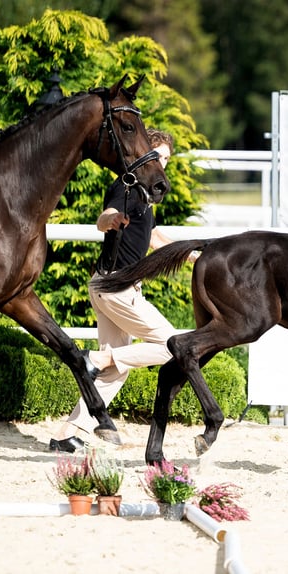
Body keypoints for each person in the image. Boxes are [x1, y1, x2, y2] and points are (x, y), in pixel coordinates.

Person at [50, 128, 195, 452]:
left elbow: (154, 239)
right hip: (117, 287)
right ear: (144, 154)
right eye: (158, 156)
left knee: (116, 369)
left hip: (109, 286)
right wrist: (112, 219)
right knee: (173, 345)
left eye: (167, 160)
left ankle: (68, 435)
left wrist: (192, 254)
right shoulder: (128, 187)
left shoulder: (144, 194)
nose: (163, 164)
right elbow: (104, 218)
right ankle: (97, 358)